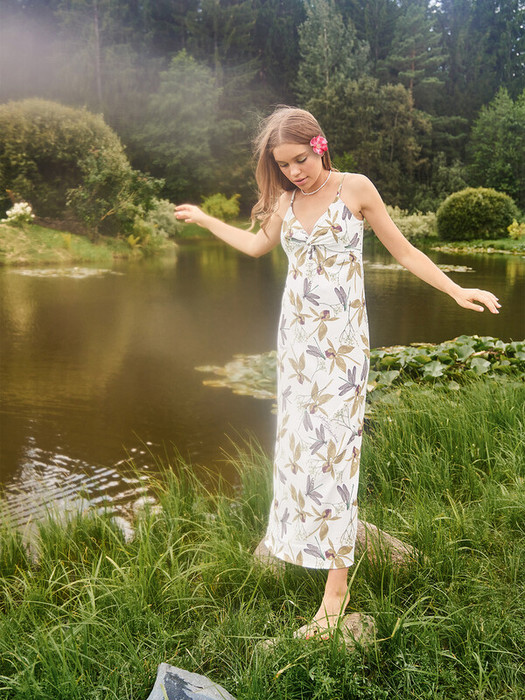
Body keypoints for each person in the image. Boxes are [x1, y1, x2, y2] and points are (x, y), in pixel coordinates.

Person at [175, 106, 500, 641]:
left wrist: (455, 289)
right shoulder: (284, 200)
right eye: (283, 165)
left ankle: (335, 592)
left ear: (319, 145)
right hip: (296, 344)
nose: (293, 172)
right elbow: (256, 246)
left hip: (342, 347)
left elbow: (404, 251)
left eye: (300, 160)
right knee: (298, 450)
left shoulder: (356, 188)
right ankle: (298, 547)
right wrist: (208, 220)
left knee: (337, 456)